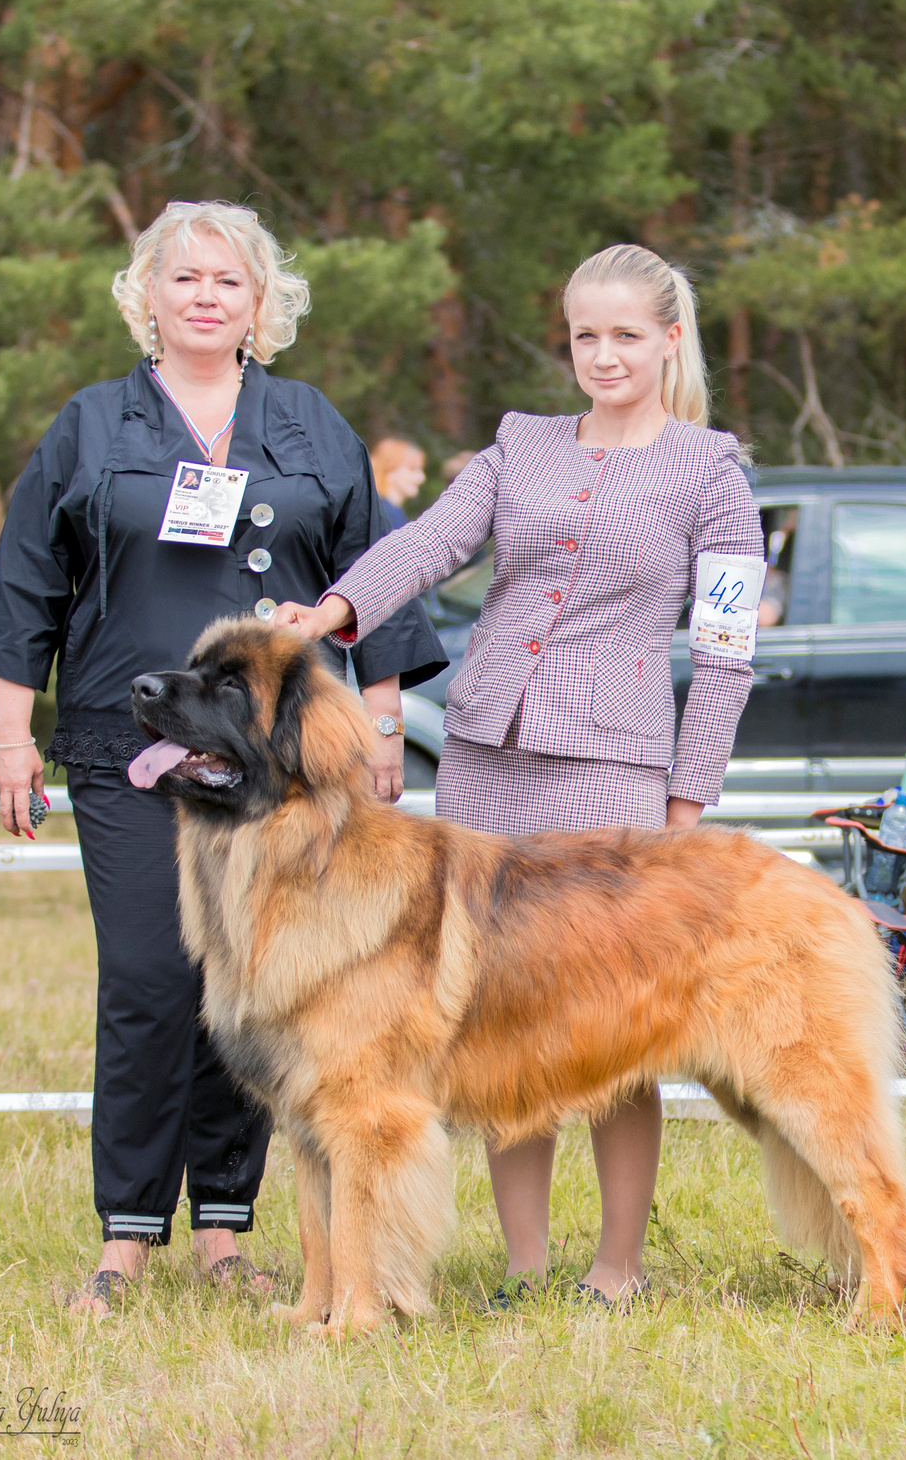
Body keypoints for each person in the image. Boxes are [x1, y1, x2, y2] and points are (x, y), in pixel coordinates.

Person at [0, 201, 446, 1318]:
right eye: (184, 277)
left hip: (271, 760)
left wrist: (379, 727)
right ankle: (126, 1233)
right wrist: (8, 732)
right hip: (126, 742)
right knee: (149, 978)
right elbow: (27, 583)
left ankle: (226, 1227)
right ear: (146, 294)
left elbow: (371, 575)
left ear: (262, 302)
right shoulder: (90, 426)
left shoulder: (312, 422)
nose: (205, 296)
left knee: (252, 984)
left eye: (229, 280)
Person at [272, 244, 763, 1308]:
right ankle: (526, 1266)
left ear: (669, 339)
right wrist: (330, 613)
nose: (603, 353)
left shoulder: (712, 470)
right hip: (487, 760)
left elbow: (725, 649)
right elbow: (431, 544)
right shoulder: (519, 443)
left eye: (626, 334)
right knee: (496, 1018)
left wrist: (687, 804)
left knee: (614, 1025)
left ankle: (616, 1268)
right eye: (585, 334)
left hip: (616, 772)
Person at [369, 437, 428, 532]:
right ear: (389, 470)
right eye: (413, 469)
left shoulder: (391, 511)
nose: (421, 478)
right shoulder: (385, 514)